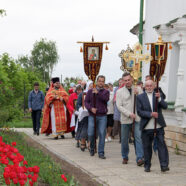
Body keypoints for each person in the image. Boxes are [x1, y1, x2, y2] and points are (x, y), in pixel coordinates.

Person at [136, 80, 169, 172]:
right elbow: (139, 111)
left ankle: (164, 165)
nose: (149, 87)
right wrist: (150, 114)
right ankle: (147, 165)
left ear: (154, 86)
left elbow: (165, 106)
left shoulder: (158, 94)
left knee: (161, 145)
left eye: (151, 85)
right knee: (147, 147)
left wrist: (159, 99)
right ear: (144, 87)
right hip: (146, 127)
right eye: (147, 86)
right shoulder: (140, 97)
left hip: (158, 126)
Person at [116, 72, 144, 166]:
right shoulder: (119, 92)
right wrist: (129, 114)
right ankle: (125, 156)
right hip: (125, 118)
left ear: (132, 79)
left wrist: (138, 94)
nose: (127, 82)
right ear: (123, 81)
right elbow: (119, 106)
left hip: (137, 118)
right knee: (124, 139)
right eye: (125, 80)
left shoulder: (138, 89)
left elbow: (143, 102)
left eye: (129, 80)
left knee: (138, 137)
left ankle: (139, 158)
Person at [85, 75, 109, 159]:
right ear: (97, 82)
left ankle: (101, 152)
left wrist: (98, 93)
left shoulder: (106, 92)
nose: (101, 83)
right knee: (90, 133)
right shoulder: (90, 91)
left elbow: (105, 99)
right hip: (92, 115)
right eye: (99, 81)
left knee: (102, 134)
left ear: (104, 82)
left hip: (102, 115)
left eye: (102, 81)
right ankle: (92, 147)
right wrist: (91, 108)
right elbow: (86, 102)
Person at [76, 81, 93, 151]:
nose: (91, 87)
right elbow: (78, 104)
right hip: (84, 114)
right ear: (88, 86)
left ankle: (90, 143)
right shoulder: (82, 94)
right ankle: (83, 142)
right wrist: (81, 109)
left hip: (92, 114)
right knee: (84, 129)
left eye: (92, 86)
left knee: (91, 129)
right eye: (90, 86)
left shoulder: (94, 93)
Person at [112, 78, 124, 143]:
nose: (120, 83)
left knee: (123, 123)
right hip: (116, 107)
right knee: (117, 123)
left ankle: (124, 138)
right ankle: (119, 137)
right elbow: (114, 98)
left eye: (121, 82)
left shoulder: (125, 89)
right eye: (119, 82)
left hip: (123, 107)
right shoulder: (116, 89)